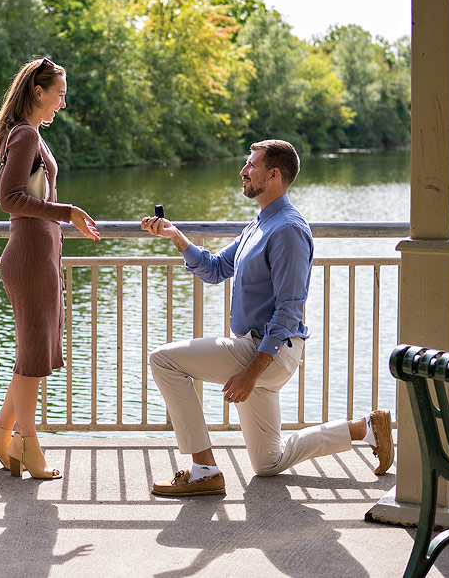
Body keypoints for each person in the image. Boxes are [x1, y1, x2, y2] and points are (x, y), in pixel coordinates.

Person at [140, 139, 393, 497]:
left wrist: (252, 371)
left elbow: (289, 309)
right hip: (258, 348)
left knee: (164, 360)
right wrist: (178, 238)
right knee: (268, 463)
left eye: (251, 166)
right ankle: (363, 427)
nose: (243, 171)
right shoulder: (259, 223)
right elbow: (215, 270)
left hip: (265, 350)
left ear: (273, 175)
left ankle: (204, 470)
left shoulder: (287, 230)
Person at [0, 56, 101, 480]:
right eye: (60, 94)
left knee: (33, 355)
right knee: (32, 359)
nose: (62, 104)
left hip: (39, 257)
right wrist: (66, 211)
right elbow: (10, 199)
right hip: (30, 258)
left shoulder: (27, 134)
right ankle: (26, 445)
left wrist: (61, 220)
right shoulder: (27, 134)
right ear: (38, 91)